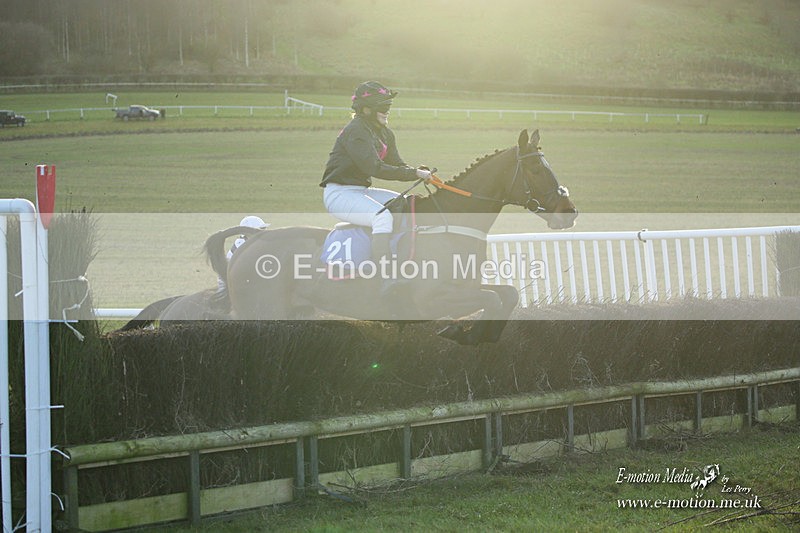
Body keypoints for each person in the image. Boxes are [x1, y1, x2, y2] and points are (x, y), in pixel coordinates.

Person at [320, 81, 432, 270]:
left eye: (388, 106)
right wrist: (413, 173)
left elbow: (397, 165)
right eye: (383, 107)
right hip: (338, 195)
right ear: (366, 110)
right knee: (382, 217)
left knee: (402, 203)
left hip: (360, 191)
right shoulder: (356, 131)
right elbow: (375, 168)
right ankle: (383, 269)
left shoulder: (385, 133)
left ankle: (400, 252)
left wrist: (416, 171)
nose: (387, 111)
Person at [217, 215, 269, 292]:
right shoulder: (241, 247)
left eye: (264, 229)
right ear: (247, 233)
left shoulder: (254, 243)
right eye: (260, 230)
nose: (264, 233)